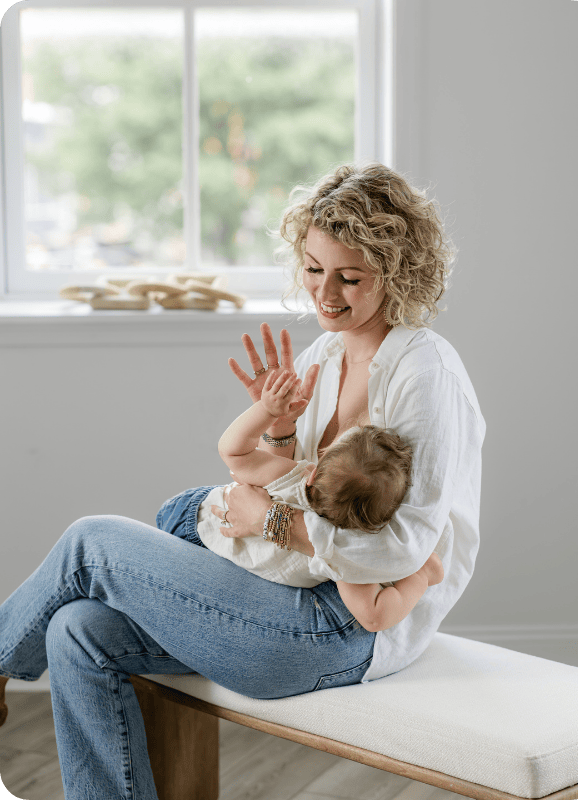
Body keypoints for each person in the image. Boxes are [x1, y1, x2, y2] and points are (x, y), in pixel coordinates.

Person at [0, 162, 484, 800]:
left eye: (350, 276)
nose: (325, 294)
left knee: (94, 540)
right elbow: (287, 477)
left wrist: (272, 522)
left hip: (348, 627)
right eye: (313, 268)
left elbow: (406, 548)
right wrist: (279, 427)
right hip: (282, 589)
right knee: (78, 630)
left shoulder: (426, 373)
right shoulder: (324, 357)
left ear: (396, 273)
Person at [192, 364, 443, 630]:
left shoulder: (296, 480)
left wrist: (266, 412)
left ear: (313, 473)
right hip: (202, 520)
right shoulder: (347, 558)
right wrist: (420, 577)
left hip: (206, 529)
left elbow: (232, 451)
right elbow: (374, 616)